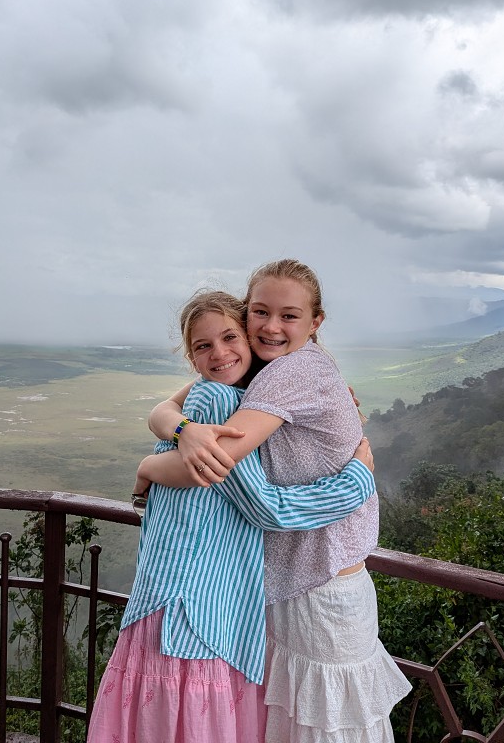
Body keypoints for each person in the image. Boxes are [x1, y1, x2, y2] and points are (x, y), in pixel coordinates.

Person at [87, 290, 376, 743]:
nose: (219, 353)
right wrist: (358, 481)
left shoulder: (249, 394)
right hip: (194, 603)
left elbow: (163, 413)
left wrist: (152, 460)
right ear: (191, 356)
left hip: (174, 591)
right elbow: (265, 505)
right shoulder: (220, 401)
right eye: (203, 346)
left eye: (229, 338)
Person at [147, 260, 411, 742]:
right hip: (299, 578)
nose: (271, 326)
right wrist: (180, 427)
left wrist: (147, 467)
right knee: (300, 722)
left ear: (315, 322)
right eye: (260, 312)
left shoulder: (291, 371)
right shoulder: (268, 367)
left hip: (320, 586)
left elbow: (215, 462)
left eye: (289, 316)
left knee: (326, 726)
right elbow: (166, 406)